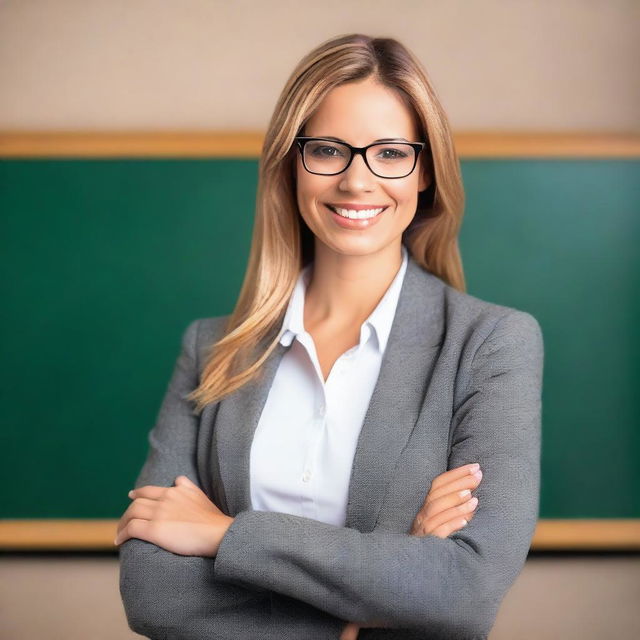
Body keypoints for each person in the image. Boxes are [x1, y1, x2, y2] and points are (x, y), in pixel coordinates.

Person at [116, 33, 543, 640]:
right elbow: (153, 596)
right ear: (291, 164)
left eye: (391, 153)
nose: (356, 181)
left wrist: (224, 535)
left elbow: (464, 591)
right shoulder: (211, 349)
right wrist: (370, 604)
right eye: (327, 150)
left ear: (425, 171)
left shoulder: (491, 344)